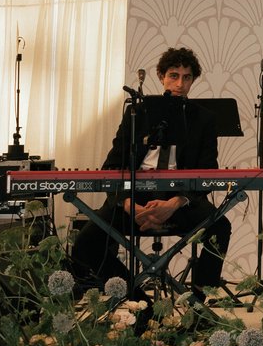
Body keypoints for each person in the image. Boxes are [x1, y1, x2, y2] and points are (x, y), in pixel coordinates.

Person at [71, 47, 233, 292]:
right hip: (134, 199)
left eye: (187, 77)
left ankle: (197, 303)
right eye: (173, 76)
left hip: (179, 201)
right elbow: (113, 166)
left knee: (221, 227)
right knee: (86, 242)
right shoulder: (136, 113)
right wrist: (129, 204)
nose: (180, 84)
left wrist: (174, 203)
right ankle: (136, 298)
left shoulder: (204, 119)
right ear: (161, 76)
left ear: (193, 80)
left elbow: (207, 173)